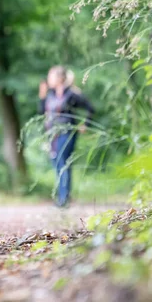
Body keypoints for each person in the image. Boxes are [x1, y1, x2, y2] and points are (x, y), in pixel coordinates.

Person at [38, 65, 94, 207]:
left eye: (51, 75)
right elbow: (41, 113)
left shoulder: (71, 94)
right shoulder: (50, 95)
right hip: (52, 135)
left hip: (67, 133)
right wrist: (42, 97)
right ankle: (61, 197)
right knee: (56, 164)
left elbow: (90, 108)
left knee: (64, 163)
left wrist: (85, 125)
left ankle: (64, 199)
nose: (48, 78)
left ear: (60, 78)